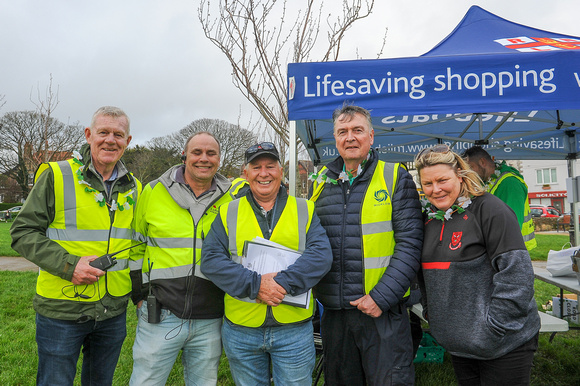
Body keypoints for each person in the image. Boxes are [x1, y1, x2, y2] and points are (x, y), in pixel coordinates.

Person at [10, 106, 140, 385]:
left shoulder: (135, 188)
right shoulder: (56, 175)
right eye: (103, 132)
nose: (110, 140)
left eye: (118, 134)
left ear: (128, 142)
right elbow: (22, 232)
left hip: (112, 311)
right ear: (88, 134)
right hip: (62, 309)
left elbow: (138, 247)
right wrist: (70, 265)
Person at [201, 142, 332, 386]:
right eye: (256, 167)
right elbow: (211, 260)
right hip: (241, 329)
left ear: (281, 171)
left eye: (270, 166)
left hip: (293, 330)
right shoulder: (228, 212)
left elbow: (321, 255)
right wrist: (256, 285)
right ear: (246, 172)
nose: (264, 173)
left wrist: (280, 283)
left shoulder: (304, 209)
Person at [309, 104, 423, 385]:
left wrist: (381, 298)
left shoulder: (395, 176)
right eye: (342, 131)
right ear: (335, 139)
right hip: (335, 313)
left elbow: (410, 245)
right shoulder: (321, 182)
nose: (350, 137)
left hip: (381, 310)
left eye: (357, 130)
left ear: (371, 136)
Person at [415, 144, 540, 385]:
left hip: (504, 343)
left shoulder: (490, 210)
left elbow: (517, 275)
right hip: (460, 345)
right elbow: (424, 276)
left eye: (442, 180)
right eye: (427, 184)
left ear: (461, 176)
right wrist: (435, 316)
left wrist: (494, 328)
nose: (436, 189)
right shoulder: (428, 220)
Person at [129, 132, 247, 385]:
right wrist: (139, 295)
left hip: (211, 315)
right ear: (184, 156)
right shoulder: (153, 191)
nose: (204, 159)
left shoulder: (233, 200)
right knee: (146, 380)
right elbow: (136, 245)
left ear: (219, 159)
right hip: (160, 313)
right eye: (197, 152)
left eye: (211, 153)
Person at [463, 145, 536, 250]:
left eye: (471, 168)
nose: (468, 173)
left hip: (512, 252)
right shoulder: (487, 182)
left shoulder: (510, 183)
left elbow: (511, 227)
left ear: (482, 162)